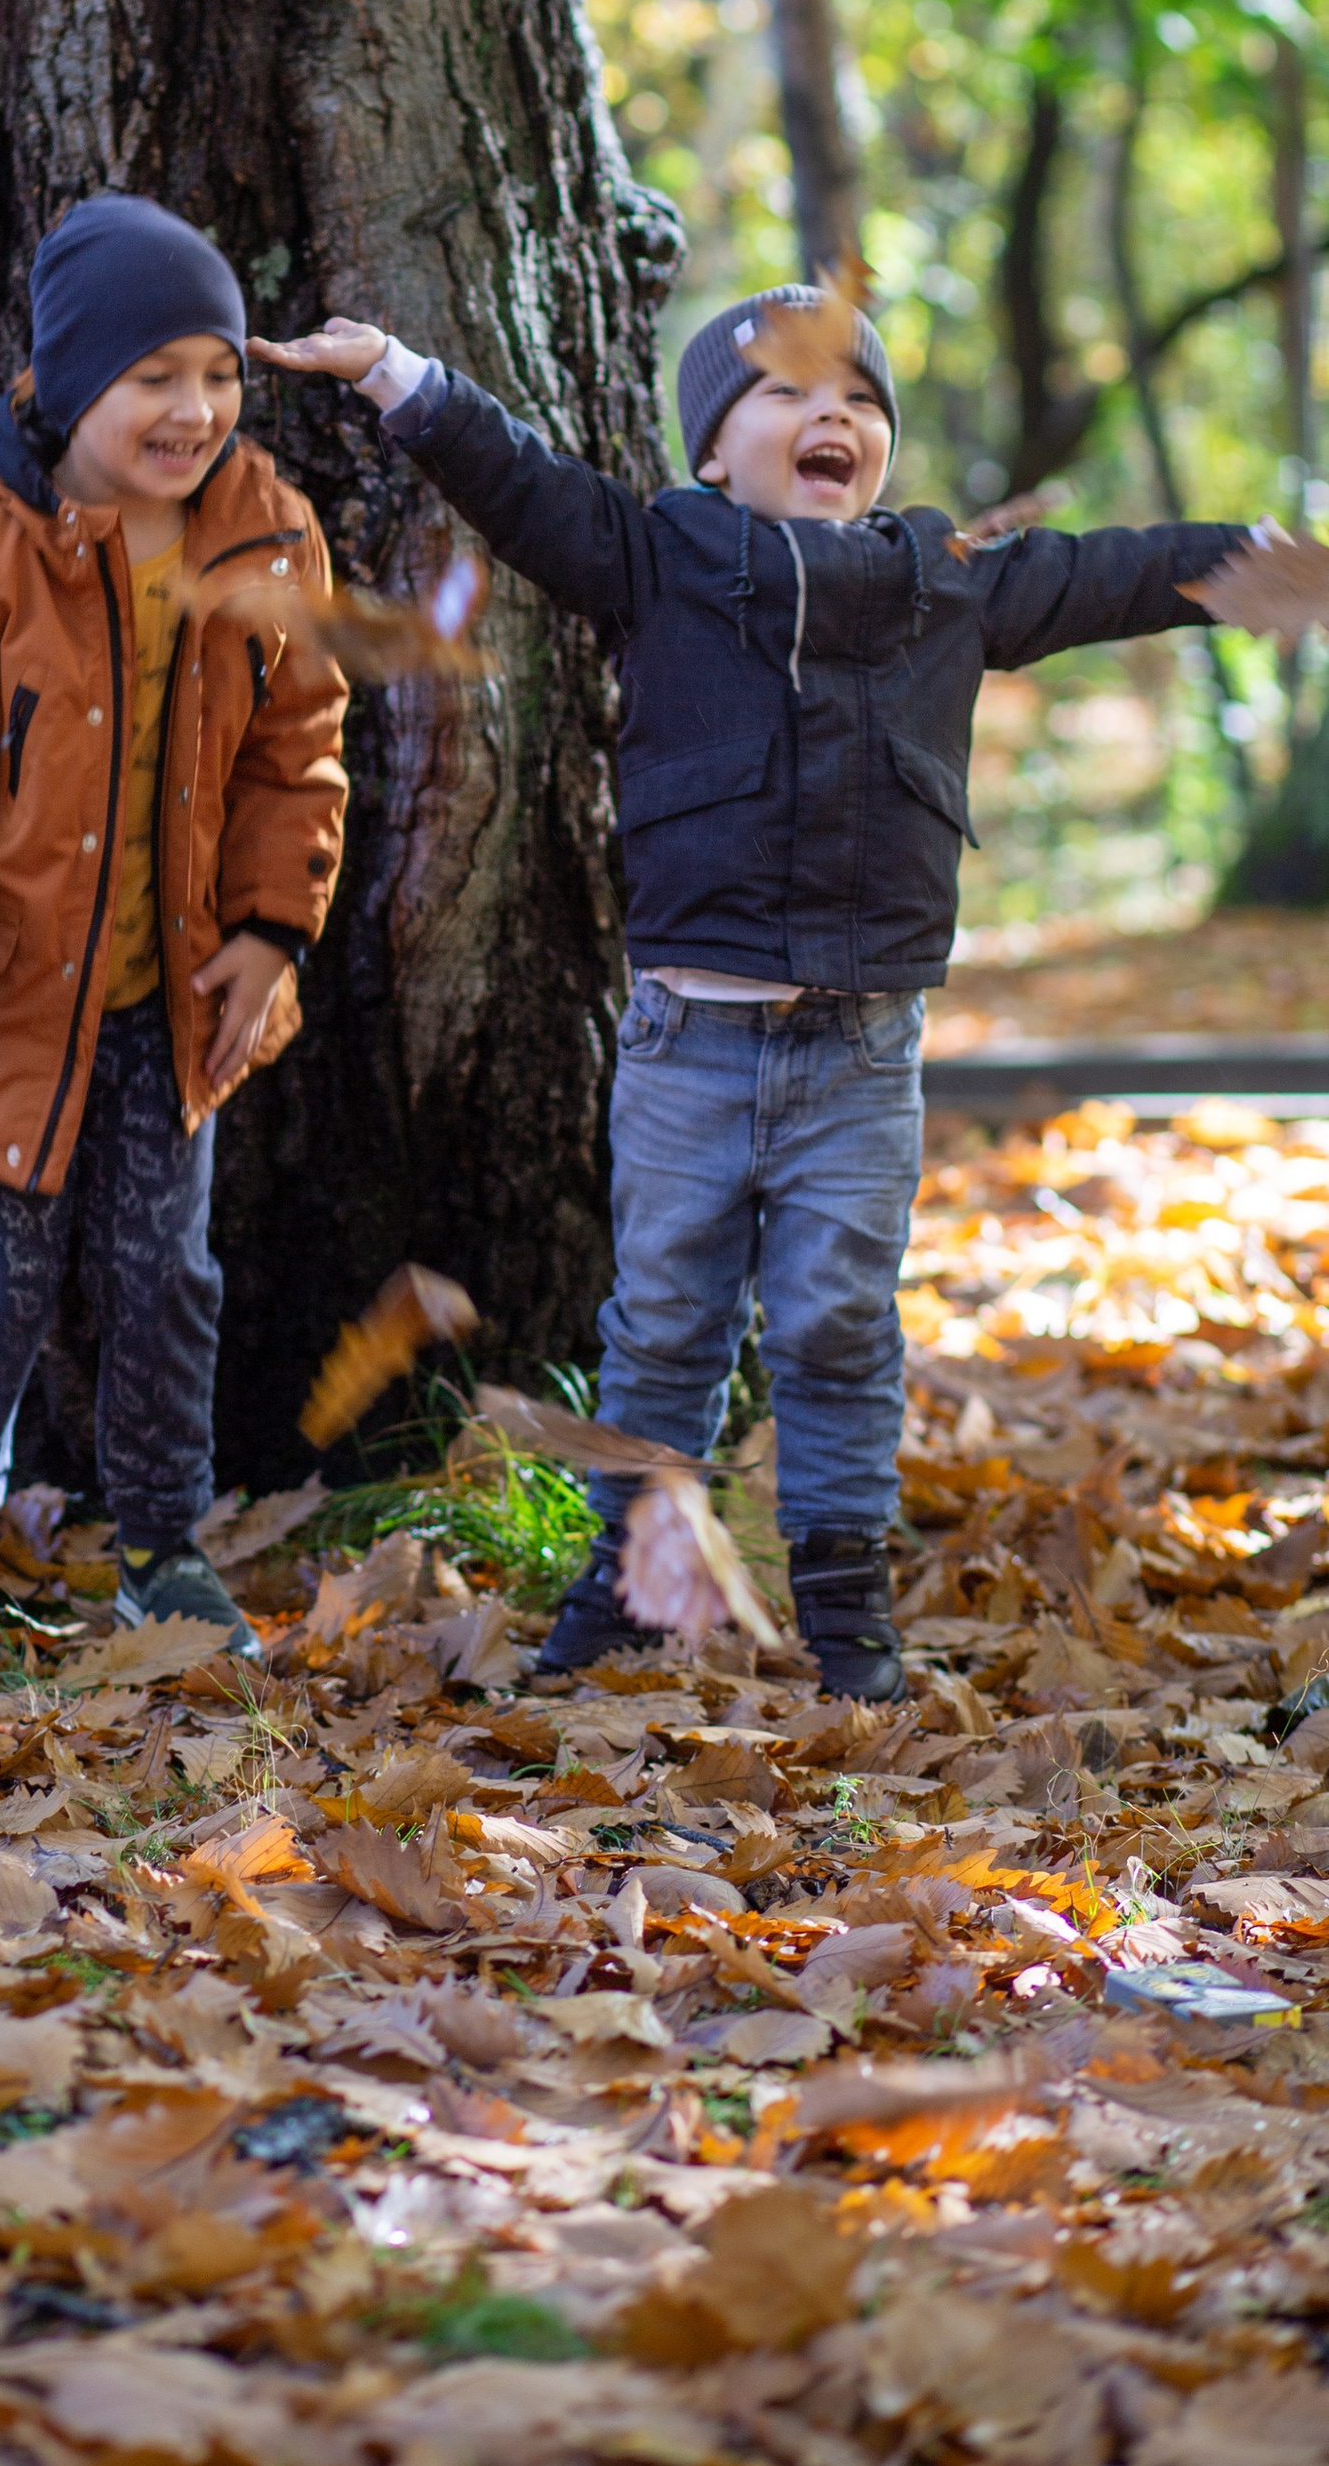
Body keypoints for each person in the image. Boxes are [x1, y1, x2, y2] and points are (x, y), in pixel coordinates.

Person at [255, 289, 1253, 1699]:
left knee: (840, 1324)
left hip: (860, 1054)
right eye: (783, 394)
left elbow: (1122, 570)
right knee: (663, 1327)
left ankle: (846, 1607)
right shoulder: (656, 558)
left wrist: (1266, 563)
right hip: (688, 1048)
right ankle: (624, 1586)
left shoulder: (949, 581)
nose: (827, 415)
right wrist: (398, 376)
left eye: (856, 397)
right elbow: (517, 482)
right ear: (716, 453)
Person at [0, 195, 349, 1653]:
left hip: (174, 1002)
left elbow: (295, 749)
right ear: (65, 382)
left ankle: (163, 1542)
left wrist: (272, 928)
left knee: (165, 1277)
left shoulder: (268, 540)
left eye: (221, 374)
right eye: (153, 378)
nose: (193, 411)